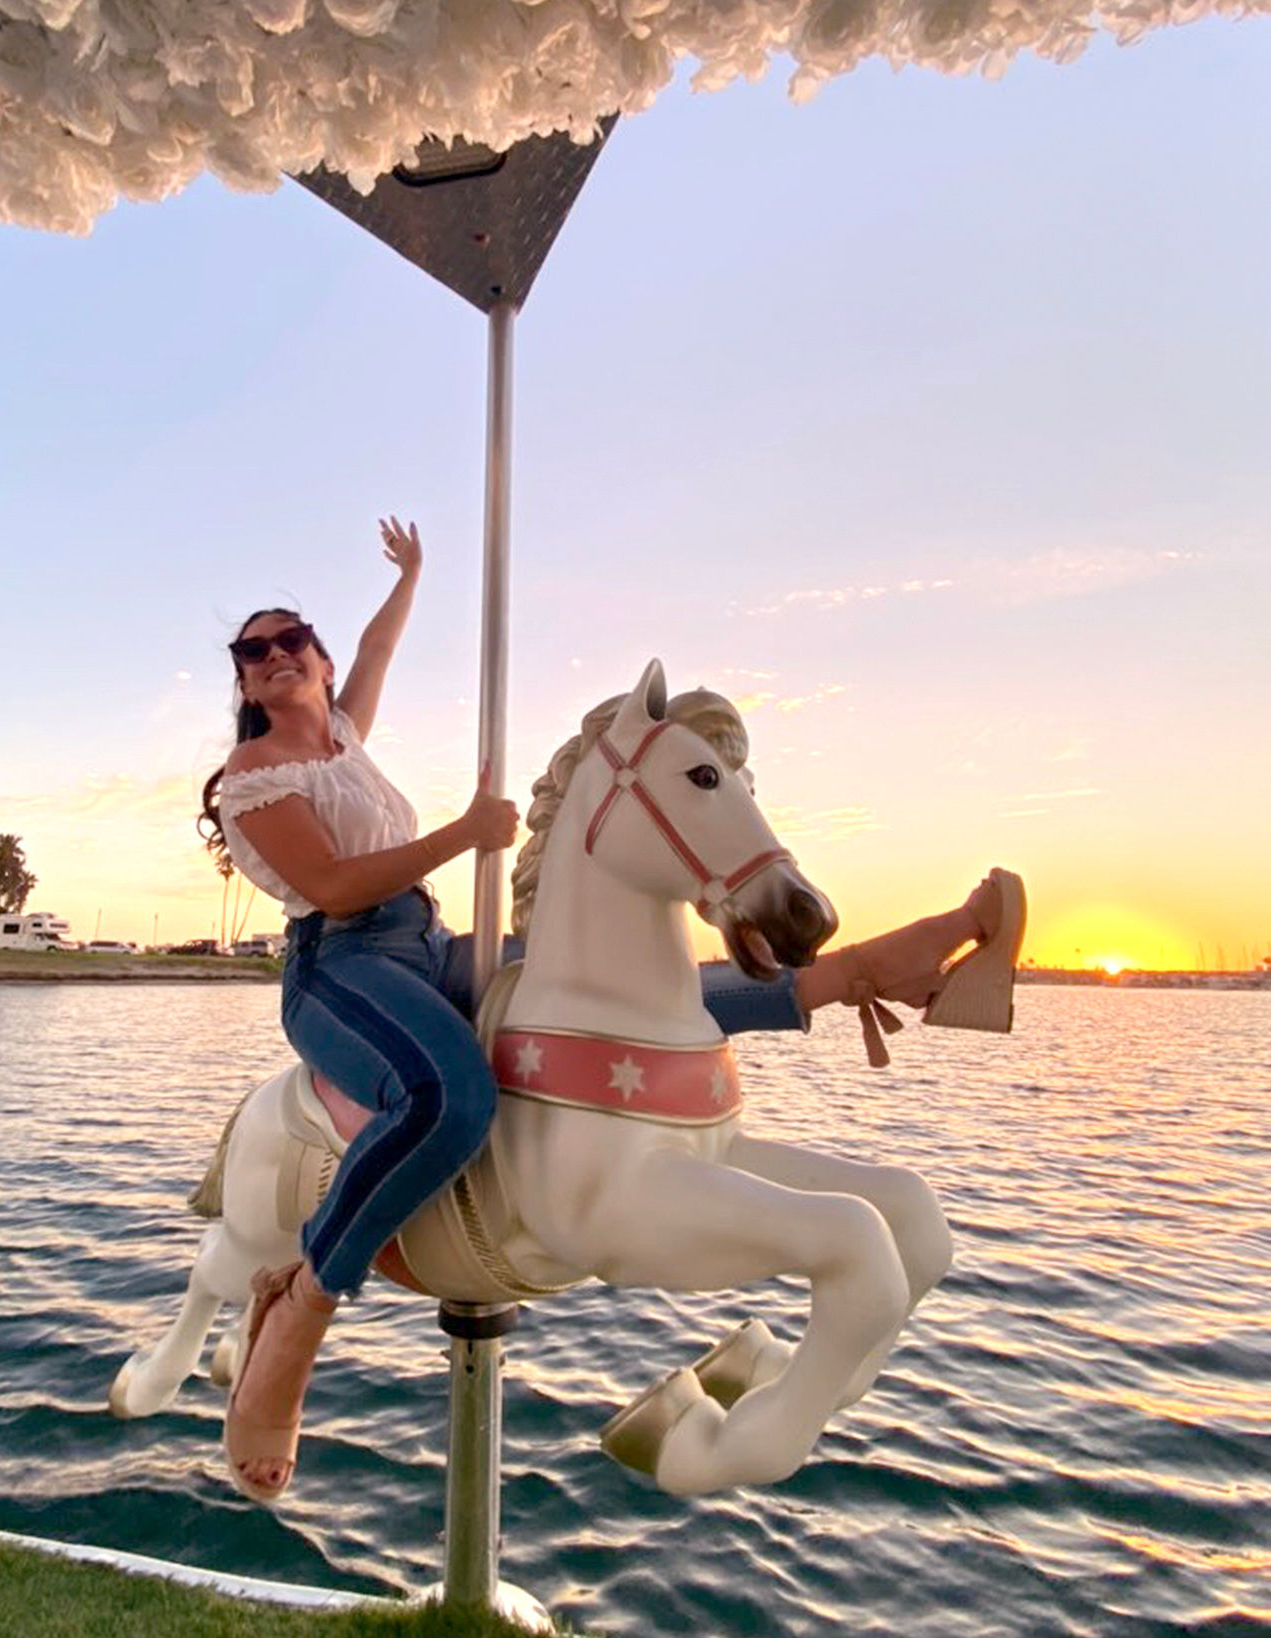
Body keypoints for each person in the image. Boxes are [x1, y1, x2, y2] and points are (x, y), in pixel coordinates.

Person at [202, 518, 1021, 1505]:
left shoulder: (342, 732)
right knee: (446, 1097)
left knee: (612, 995)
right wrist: (465, 834)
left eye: (294, 639)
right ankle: (305, 1301)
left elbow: (379, 647)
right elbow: (333, 887)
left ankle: (861, 972)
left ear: (321, 662)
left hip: (422, 939)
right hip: (342, 962)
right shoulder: (256, 776)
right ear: (246, 683)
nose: (277, 654)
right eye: (255, 651)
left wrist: (410, 574)